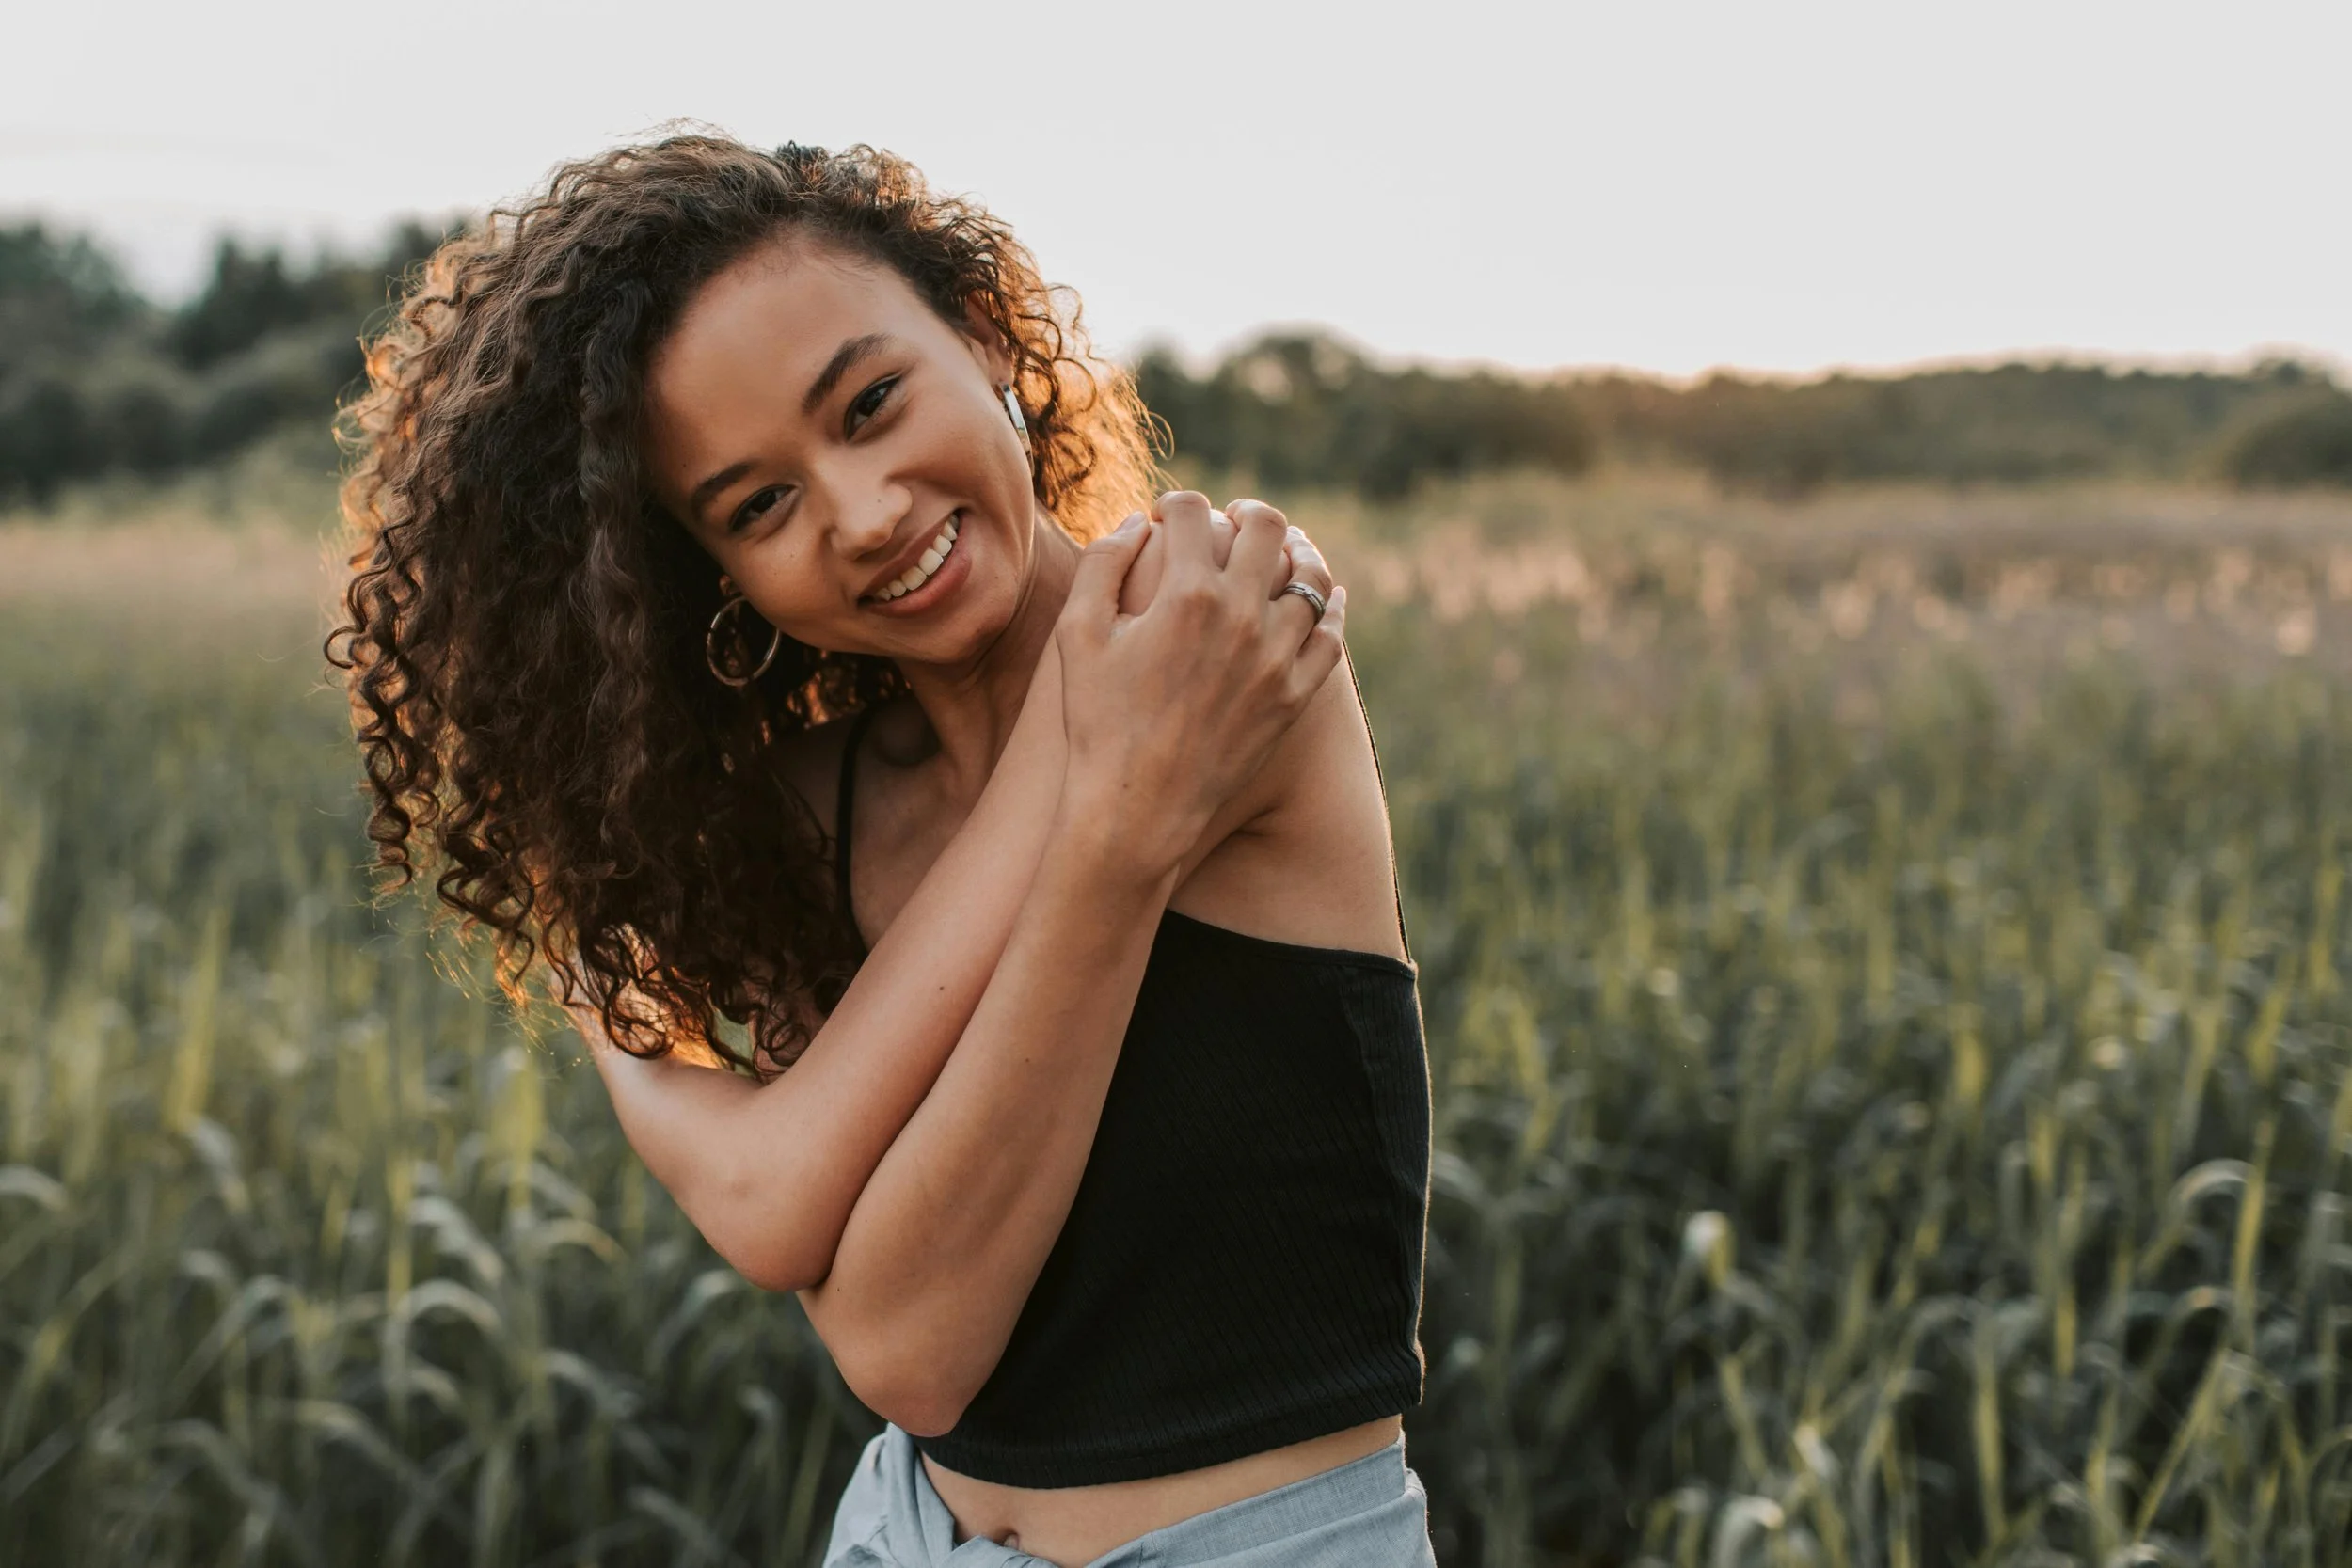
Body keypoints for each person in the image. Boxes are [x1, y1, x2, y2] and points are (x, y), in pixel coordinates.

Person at [329, 133, 1436, 1568]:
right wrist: (1100, 816)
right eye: (758, 505)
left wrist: (1107, 846)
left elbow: (911, 1346)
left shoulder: (1209, 635)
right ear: (706, 576)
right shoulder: (810, 814)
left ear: (980, 335)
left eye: (868, 403)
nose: (863, 514)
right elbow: (843, 1277)